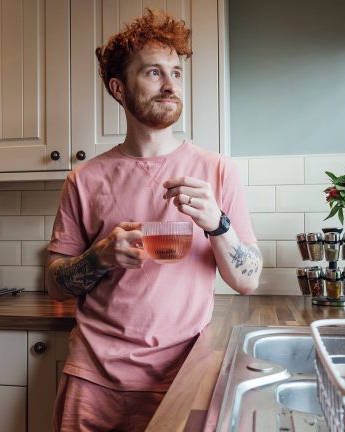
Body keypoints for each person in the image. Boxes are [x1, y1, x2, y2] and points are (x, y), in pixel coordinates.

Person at [46, 9, 262, 431]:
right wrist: (100, 257)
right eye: (153, 73)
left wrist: (218, 224)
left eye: (177, 73)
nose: (170, 86)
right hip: (93, 380)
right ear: (119, 88)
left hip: (182, 377)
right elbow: (54, 282)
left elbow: (248, 279)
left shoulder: (216, 171)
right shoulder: (84, 179)